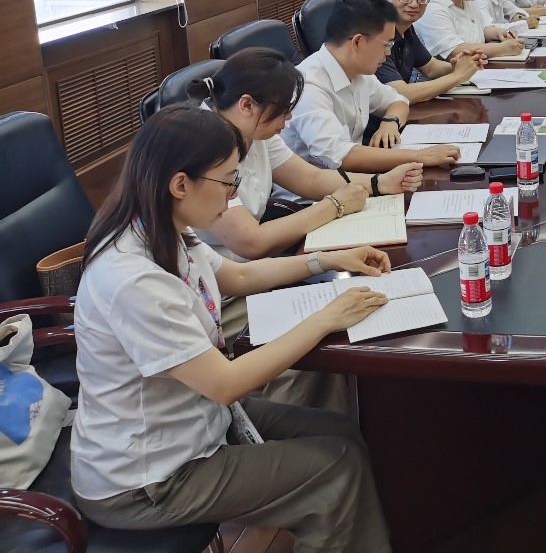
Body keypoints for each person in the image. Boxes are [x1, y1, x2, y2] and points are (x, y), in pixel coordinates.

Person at [71, 105, 392, 551]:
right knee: (337, 468)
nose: (234, 193)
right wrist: (326, 318)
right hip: (148, 478)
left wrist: (329, 259)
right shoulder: (133, 278)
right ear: (180, 184)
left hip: (196, 423)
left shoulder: (166, 229)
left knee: (342, 433)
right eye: (228, 181)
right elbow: (225, 384)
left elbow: (238, 276)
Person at [187, 48, 420, 411]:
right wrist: (334, 206)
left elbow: (310, 178)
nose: (289, 119)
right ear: (247, 105)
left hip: (243, 274)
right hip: (223, 292)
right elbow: (251, 242)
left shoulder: (252, 130)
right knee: (323, 333)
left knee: (348, 308)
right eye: (283, 111)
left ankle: (341, 424)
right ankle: (302, 427)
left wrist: (377, 184)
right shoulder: (206, 151)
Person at [282, 0, 459, 174]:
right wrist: (419, 156)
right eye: (387, 44)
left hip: (356, 179)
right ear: (357, 42)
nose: (388, 53)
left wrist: (390, 121)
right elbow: (342, 157)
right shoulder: (309, 87)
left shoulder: (358, 72)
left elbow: (398, 100)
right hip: (319, 189)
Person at [375, 0, 482, 103]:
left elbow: (431, 68)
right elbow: (401, 93)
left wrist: (459, 65)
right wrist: (457, 76)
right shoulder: (375, 34)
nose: (414, 4)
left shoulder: (406, 28)